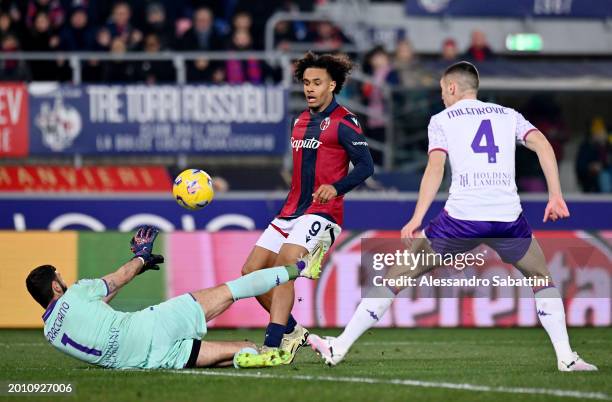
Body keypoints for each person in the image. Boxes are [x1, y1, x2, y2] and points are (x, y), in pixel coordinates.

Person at [308, 61, 598, 372]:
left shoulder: (442, 119)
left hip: (462, 218)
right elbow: (542, 144)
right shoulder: (507, 115)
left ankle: (339, 346)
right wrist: (555, 194)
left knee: (396, 275)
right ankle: (567, 358)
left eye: (442, 92)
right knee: (542, 279)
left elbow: (435, 168)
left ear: (452, 88)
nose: (442, 97)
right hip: (506, 218)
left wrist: (416, 217)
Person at [238, 52, 374, 367]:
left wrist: (336, 187)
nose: (309, 88)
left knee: (285, 266)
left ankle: (273, 347)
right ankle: (293, 331)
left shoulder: (344, 121)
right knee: (250, 273)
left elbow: (366, 165)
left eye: (317, 83)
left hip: (323, 213)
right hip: (291, 211)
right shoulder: (298, 121)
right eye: (306, 83)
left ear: (333, 85)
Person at [26, 226, 325, 370]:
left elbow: (98, 308)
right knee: (232, 290)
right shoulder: (76, 293)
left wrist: (138, 271)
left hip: (147, 361)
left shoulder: (51, 334)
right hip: (153, 326)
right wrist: (141, 258)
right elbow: (119, 277)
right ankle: (300, 267)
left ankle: (256, 356)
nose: (64, 281)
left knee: (245, 349)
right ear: (55, 286)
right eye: (60, 278)